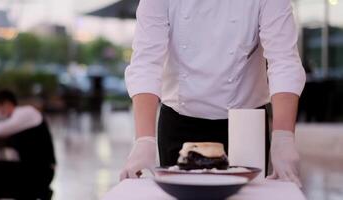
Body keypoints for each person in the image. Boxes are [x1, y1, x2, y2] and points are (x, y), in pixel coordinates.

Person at [120, 0, 306, 187]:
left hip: (246, 126)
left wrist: (283, 136)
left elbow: (283, 61)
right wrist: (144, 140)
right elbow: (146, 63)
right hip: (179, 123)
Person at [0, 90, 56, 200]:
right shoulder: (13, 121)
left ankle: (41, 191)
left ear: (7, 104)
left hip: (41, 171)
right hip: (28, 169)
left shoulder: (26, 113)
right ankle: (41, 192)